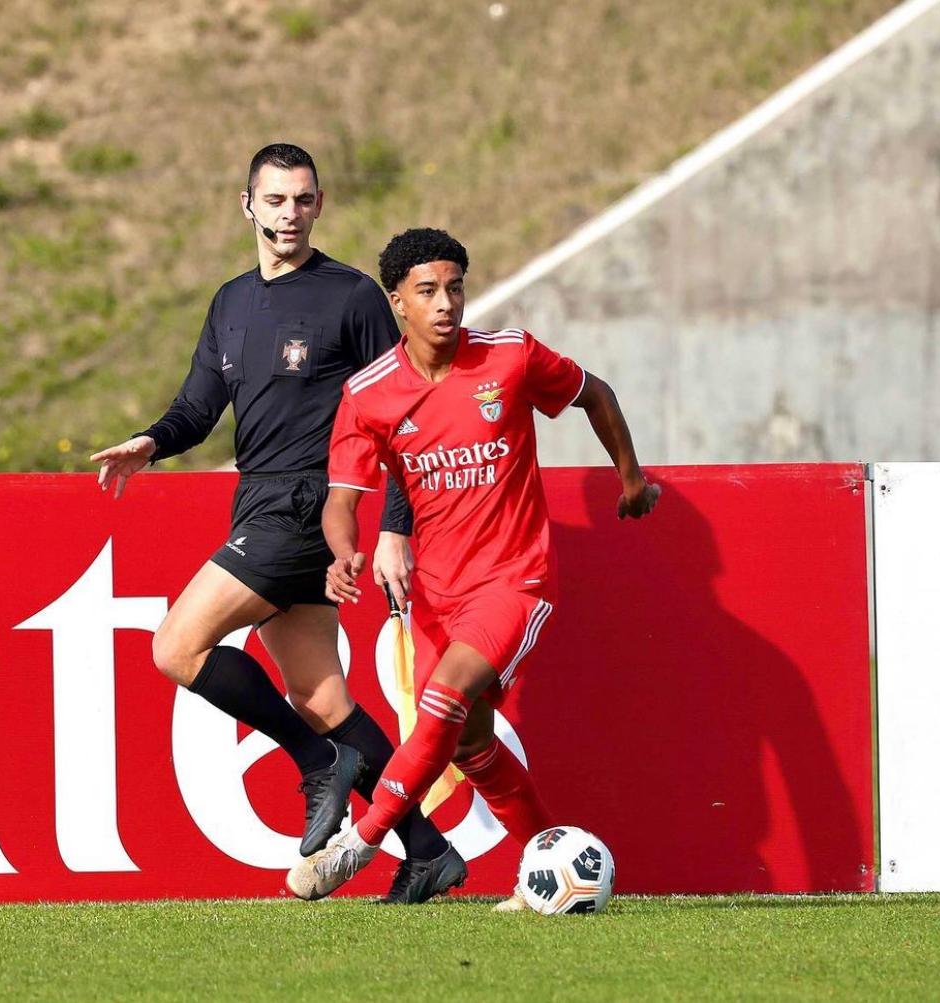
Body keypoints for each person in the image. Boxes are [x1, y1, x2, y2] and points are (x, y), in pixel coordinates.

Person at [89, 146, 464, 904]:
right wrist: (151, 441)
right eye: (276, 200)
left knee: (176, 645)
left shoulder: (352, 296)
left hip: (305, 505)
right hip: (257, 498)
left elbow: (405, 417)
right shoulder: (230, 302)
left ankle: (316, 761)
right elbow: (198, 407)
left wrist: (395, 524)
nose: (289, 214)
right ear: (247, 206)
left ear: (320, 205)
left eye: (302, 200)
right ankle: (427, 849)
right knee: (323, 698)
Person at [285, 227, 661, 906]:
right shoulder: (370, 395)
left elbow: (594, 393)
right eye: (427, 290)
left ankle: (359, 842)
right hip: (437, 593)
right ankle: (550, 873)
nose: (446, 303)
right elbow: (343, 500)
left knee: (444, 699)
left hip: (517, 578)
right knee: (469, 744)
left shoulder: (510, 357)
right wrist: (345, 553)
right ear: (398, 300)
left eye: (454, 287)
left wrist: (630, 477)